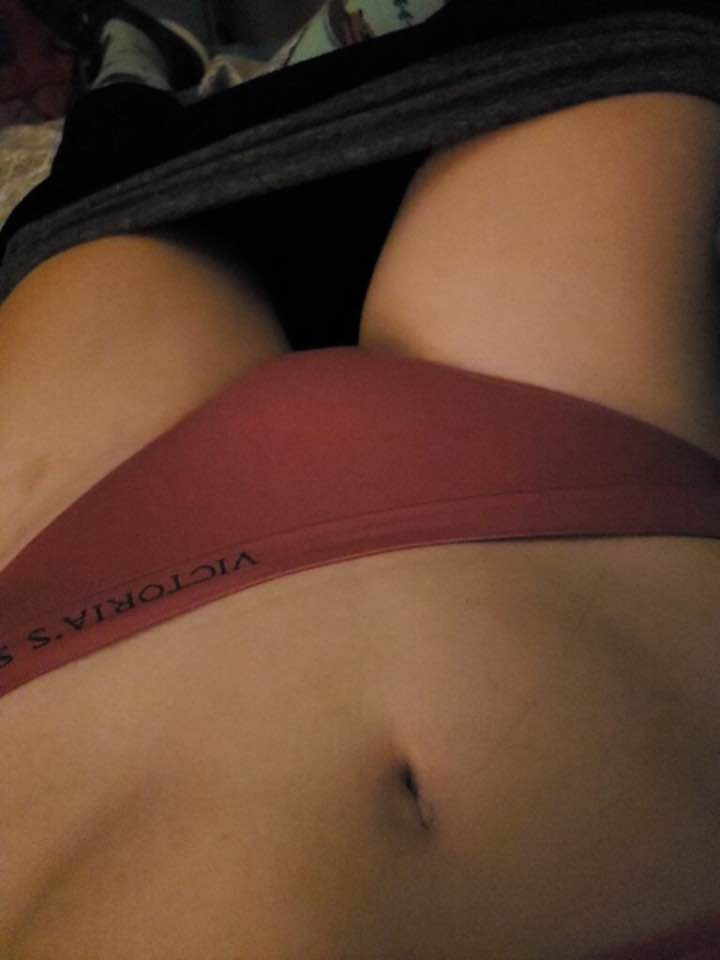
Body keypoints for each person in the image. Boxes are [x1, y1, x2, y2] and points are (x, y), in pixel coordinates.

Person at [2, 2, 720, 958]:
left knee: (107, 186)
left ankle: (130, 54)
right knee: (607, 37)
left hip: (62, 588)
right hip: (590, 463)